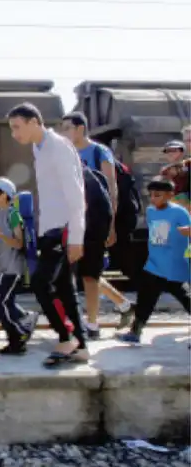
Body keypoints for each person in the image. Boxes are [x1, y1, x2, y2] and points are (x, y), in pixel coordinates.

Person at [8, 103, 88, 367]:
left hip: (65, 227)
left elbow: (76, 194)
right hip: (51, 228)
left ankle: (65, 338)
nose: (14, 134)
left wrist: (76, 236)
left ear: (34, 122)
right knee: (65, 288)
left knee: (41, 283)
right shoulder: (38, 148)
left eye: (17, 127)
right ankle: (81, 345)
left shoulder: (58, 147)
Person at [60, 112, 133, 336]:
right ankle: (125, 306)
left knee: (89, 274)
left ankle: (92, 325)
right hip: (75, 219)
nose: (64, 133)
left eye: (67, 128)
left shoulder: (99, 151)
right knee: (81, 271)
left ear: (81, 128)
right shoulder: (68, 153)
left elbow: (111, 188)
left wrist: (110, 225)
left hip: (96, 220)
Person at [117, 178, 190, 343]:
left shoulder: (180, 213)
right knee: (145, 299)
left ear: (170, 195)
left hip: (174, 265)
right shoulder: (151, 211)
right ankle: (135, 331)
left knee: (186, 299)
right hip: (154, 265)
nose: (153, 199)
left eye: (158, 195)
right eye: (151, 195)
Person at [0, 177, 36, 355]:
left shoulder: (13, 214)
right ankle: (20, 330)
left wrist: (0, 235)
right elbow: (0, 242)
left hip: (12, 269)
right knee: (1, 300)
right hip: (3, 267)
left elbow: (18, 243)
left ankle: (17, 335)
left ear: (4, 195)